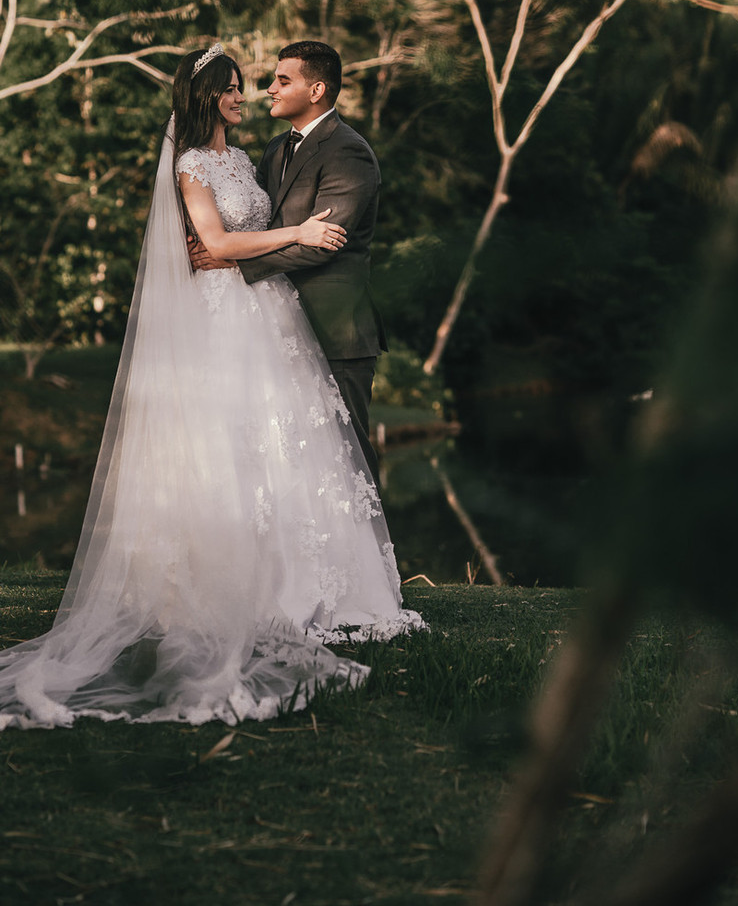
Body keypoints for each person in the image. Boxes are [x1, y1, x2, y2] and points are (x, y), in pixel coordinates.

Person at [0, 44, 422, 731]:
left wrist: (252, 248)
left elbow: (250, 243)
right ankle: (251, 585)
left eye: (267, 83)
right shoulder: (196, 163)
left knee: (299, 448)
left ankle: (324, 583)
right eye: (234, 88)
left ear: (316, 89)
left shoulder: (282, 157)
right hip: (229, 317)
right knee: (234, 446)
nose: (248, 94)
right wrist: (278, 237)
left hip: (279, 313)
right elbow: (217, 243)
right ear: (206, 98)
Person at [191, 40, 386, 484]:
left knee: (349, 462)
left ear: (316, 90)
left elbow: (323, 243)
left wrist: (234, 264)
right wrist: (201, 238)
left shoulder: (349, 152)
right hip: (275, 327)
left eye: (283, 80)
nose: (270, 89)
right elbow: (254, 222)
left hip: (334, 330)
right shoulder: (276, 148)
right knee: (295, 467)